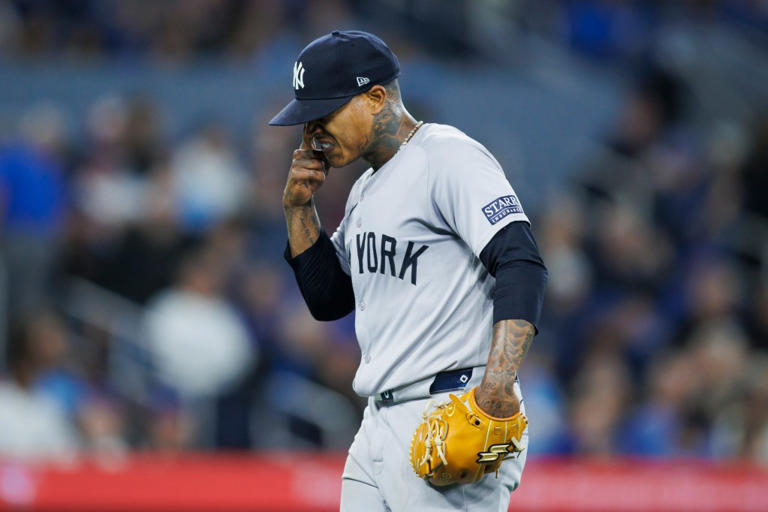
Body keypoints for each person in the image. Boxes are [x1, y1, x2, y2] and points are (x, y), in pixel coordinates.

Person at [270, 30, 547, 511]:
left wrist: (499, 383)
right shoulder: (364, 191)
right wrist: (299, 208)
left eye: (324, 112)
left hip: (453, 408)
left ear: (376, 97)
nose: (313, 131)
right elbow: (329, 300)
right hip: (378, 421)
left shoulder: (447, 156)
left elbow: (520, 261)